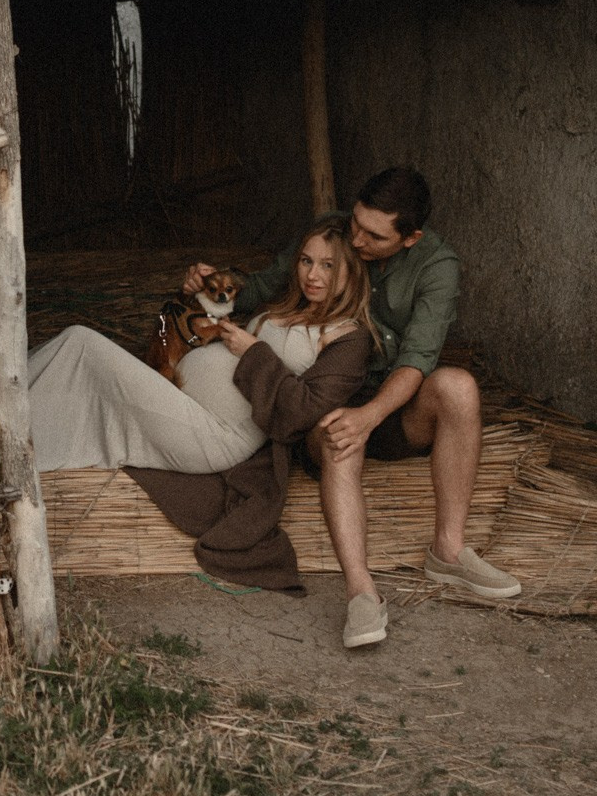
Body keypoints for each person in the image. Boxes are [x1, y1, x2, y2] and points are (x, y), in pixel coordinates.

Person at [186, 166, 520, 649]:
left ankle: (448, 550)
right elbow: (261, 286)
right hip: (322, 399)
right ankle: (362, 592)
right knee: (338, 432)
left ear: (410, 238)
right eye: (356, 224)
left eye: (374, 236)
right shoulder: (336, 231)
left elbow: (417, 361)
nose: (357, 239)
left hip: (390, 400)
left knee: (458, 386)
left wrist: (370, 415)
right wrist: (212, 281)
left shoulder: (436, 266)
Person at [29, 220, 374, 593]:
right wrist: (196, 291)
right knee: (77, 356)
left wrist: (254, 352)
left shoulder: (348, 338)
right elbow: (199, 314)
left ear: (351, 272)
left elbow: (302, 411)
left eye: (328, 265)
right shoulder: (285, 306)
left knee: (82, 344)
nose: (313, 275)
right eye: (306, 261)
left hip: (217, 434)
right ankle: (8, 417)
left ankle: (7, 429)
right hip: (184, 404)